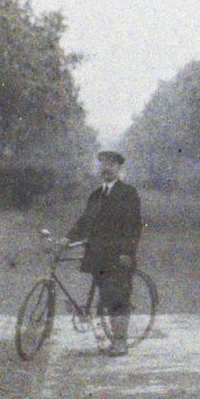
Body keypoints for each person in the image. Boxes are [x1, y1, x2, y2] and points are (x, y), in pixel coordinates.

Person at [66, 150, 143, 355]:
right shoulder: (96, 194)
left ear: (119, 169)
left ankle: (120, 342)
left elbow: (134, 226)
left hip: (119, 255)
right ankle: (109, 336)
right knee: (106, 296)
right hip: (98, 255)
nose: (107, 168)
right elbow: (84, 222)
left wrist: (127, 252)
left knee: (118, 297)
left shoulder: (128, 193)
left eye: (112, 165)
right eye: (104, 164)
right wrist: (67, 238)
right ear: (99, 168)